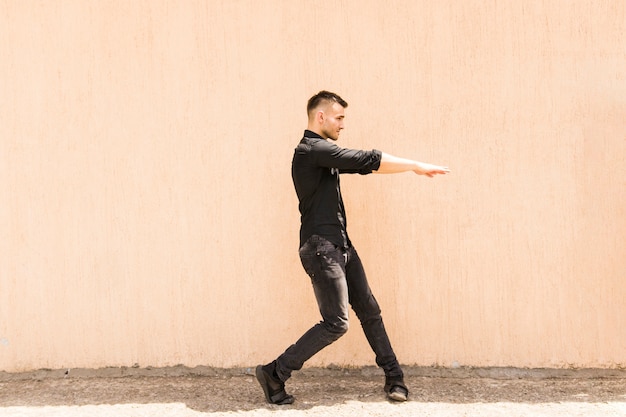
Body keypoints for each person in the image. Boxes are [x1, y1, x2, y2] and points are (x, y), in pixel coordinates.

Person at [256, 91, 450, 405]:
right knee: (336, 322)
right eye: (339, 117)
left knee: (370, 311)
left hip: (340, 245)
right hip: (321, 248)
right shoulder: (311, 150)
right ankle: (275, 372)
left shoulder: (322, 153)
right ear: (321, 117)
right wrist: (415, 164)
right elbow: (365, 159)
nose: (343, 124)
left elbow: (365, 164)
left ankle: (394, 377)